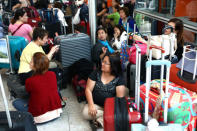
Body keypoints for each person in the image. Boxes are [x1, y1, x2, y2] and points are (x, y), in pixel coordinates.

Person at [13, 52, 62, 124]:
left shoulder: (30, 80)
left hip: (39, 118)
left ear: (36, 65)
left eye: (32, 61)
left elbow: (28, 92)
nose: (29, 62)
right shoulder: (52, 74)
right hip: (57, 113)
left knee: (16, 102)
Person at [82, 52, 125, 127]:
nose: (102, 64)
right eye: (102, 61)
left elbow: (119, 100)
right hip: (96, 105)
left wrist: (111, 110)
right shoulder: (96, 73)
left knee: (118, 113)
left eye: (105, 63)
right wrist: (91, 105)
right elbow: (88, 90)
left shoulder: (119, 78)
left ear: (113, 66)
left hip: (111, 106)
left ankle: (101, 120)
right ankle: (106, 118)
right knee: (85, 113)